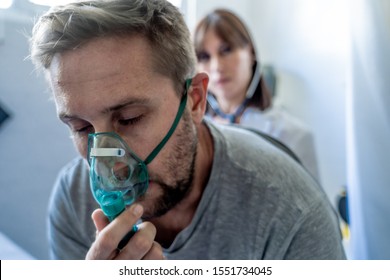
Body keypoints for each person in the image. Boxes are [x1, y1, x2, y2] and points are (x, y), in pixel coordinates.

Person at [30, 0, 345, 260]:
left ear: (195, 101)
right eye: (82, 127)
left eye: (129, 118)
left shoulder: (292, 217)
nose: (110, 167)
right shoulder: (74, 202)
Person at [194, 9, 320, 180]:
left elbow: (310, 205)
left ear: (251, 53)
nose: (216, 66)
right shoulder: (194, 132)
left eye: (226, 50)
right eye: (204, 56)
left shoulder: (292, 135)